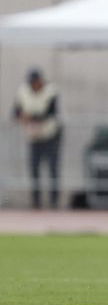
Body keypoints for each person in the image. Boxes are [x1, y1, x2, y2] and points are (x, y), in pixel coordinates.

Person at [12, 69, 63, 209]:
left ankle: (54, 202)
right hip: (33, 136)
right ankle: (36, 202)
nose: (34, 85)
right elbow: (15, 112)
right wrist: (22, 117)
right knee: (34, 169)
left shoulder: (51, 91)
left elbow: (51, 113)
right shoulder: (23, 91)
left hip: (51, 136)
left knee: (53, 169)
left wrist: (31, 117)